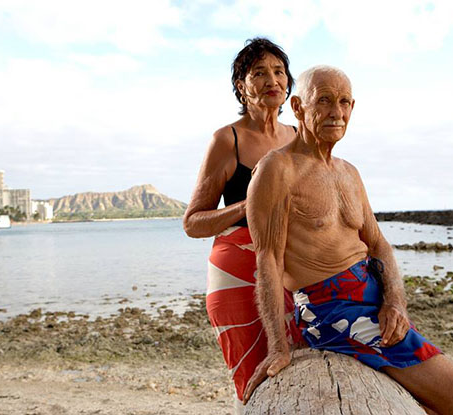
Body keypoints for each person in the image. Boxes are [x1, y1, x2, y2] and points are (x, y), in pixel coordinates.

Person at [242, 65, 453, 415]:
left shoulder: (349, 172)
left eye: (345, 102)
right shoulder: (277, 169)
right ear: (299, 107)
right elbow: (267, 259)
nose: (337, 112)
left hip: (374, 299)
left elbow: (378, 245)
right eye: (325, 101)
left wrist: (395, 301)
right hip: (333, 312)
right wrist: (278, 346)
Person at [183, 38, 301, 412]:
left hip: (290, 268)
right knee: (251, 381)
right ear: (241, 85)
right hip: (235, 277)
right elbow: (193, 222)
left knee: (297, 369)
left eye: (279, 71)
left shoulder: (298, 137)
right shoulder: (227, 139)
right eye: (259, 73)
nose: (272, 80)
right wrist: (249, 204)